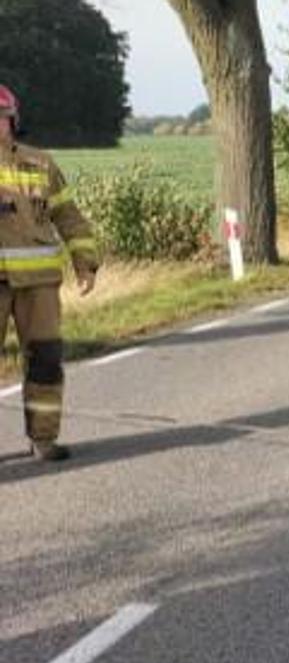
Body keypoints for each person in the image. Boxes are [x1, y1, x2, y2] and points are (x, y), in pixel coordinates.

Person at [0, 84, 98, 462]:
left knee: (45, 361)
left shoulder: (40, 164)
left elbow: (68, 215)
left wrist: (84, 260)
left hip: (39, 285)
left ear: (14, 121)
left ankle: (43, 439)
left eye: (3, 119)